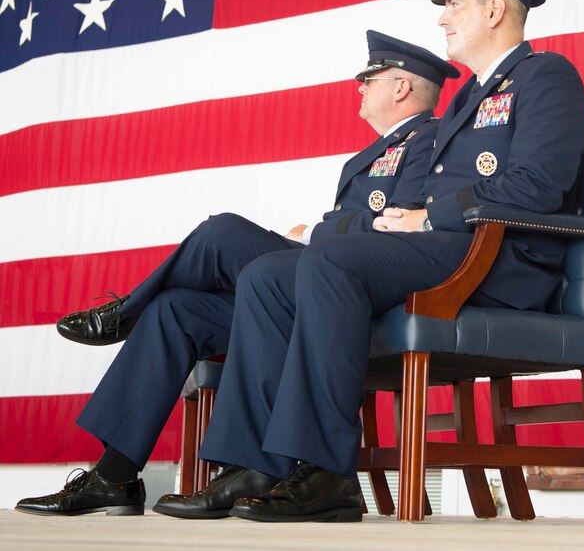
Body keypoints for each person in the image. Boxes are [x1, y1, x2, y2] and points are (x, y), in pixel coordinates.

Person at [152, 0, 584, 523]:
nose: (442, 17)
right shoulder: (467, 99)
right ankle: (251, 463)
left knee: (329, 264)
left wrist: (429, 217)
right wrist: (395, 220)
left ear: (492, 11)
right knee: (266, 275)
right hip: (438, 251)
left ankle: (328, 474)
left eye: (453, 4)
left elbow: (538, 186)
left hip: (495, 261)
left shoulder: (547, 76)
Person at [15, 32, 459, 517]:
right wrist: (328, 231)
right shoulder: (370, 154)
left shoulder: (431, 141)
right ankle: (112, 477)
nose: (359, 88)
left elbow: (399, 223)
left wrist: (317, 229)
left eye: (368, 79)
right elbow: (360, 225)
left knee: (221, 231)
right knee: (175, 311)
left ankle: (125, 313)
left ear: (399, 88)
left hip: (349, 292)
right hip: (312, 289)